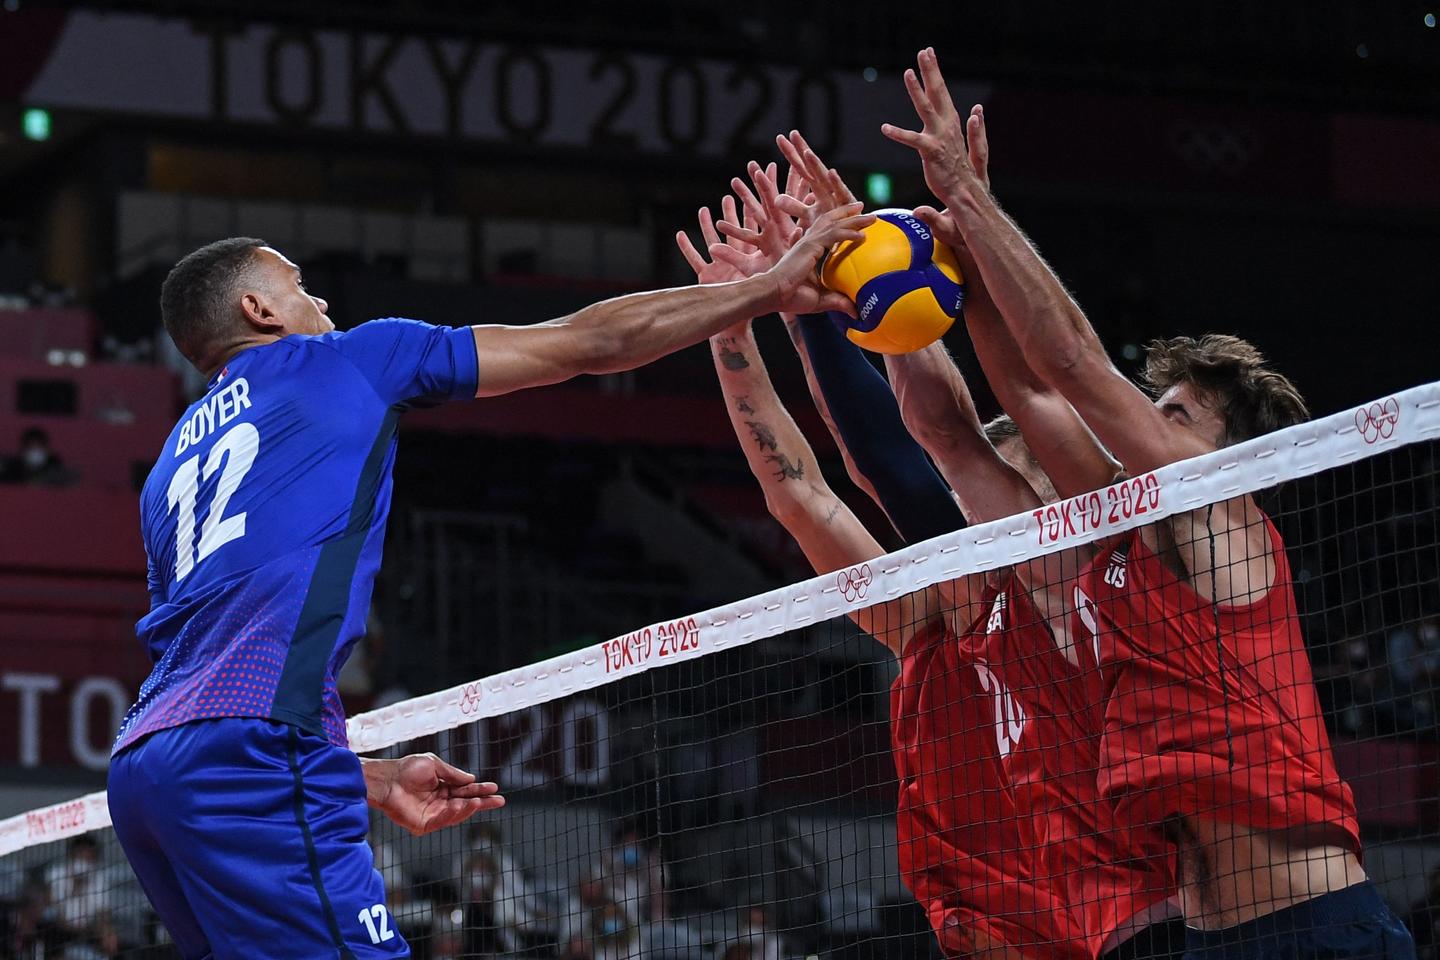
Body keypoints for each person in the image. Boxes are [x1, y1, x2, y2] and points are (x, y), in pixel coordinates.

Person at [107, 211, 868, 959]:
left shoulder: (167, 466)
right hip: (253, 754)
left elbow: (197, 663)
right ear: (259, 309)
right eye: (301, 285)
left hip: (145, 768)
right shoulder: (348, 360)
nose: (323, 302)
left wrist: (365, 778)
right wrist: (768, 289)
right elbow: (590, 341)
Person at [880, 47, 1414, 957]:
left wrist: (972, 197)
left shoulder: (1222, 519)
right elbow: (1032, 397)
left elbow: (1072, 366)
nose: (1145, 421)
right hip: (1207, 937)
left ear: (1226, 457)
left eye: (1174, 414)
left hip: (1314, 928)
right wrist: (954, 267)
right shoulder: (1126, 540)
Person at [748, 136, 1182, 959]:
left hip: (1153, 920)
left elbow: (916, 455)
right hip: (1063, 926)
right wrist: (835, 297)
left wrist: (826, 306)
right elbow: (903, 457)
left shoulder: (1093, 580)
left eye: (1005, 484)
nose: (973, 512)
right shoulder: (985, 610)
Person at [680, 186, 1087, 959]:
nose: (967, 506)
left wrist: (810, 308)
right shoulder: (928, 632)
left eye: (996, 488)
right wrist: (732, 326)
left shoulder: (1068, 615)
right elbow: (801, 495)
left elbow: (892, 461)